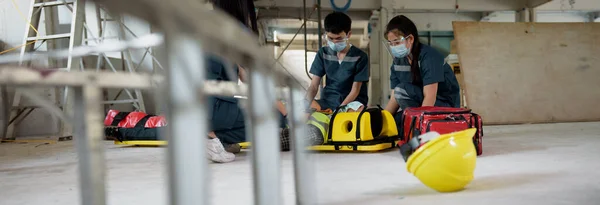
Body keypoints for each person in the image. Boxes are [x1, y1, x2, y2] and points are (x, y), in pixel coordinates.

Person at [206, 0, 289, 163]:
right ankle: (209, 138)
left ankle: (214, 139)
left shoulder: (200, 21)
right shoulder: (235, 29)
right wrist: (285, 113)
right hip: (210, 105)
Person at [383, 15, 460, 115]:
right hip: (420, 105)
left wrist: (420, 124)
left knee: (402, 90)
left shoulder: (430, 57)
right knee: (395, 124)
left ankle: (417, 123)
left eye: (397, 42)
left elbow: (429, 97)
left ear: (410, 38)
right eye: (391, 43)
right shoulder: (398, 62)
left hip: (444, 106)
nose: (393, 47)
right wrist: (382, 120)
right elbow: (394, 97)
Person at [306, 12, 370, 113]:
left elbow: (355, 90)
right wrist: (305, 104)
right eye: (331, 38)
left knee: (354, 112)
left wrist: (340, 109)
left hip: (352, 102)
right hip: (328, 101)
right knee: (308, 106)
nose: (335, 42)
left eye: (339, 38)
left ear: (349, 34)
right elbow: (314, 86)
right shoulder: (323, 54)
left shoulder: (360, 57)